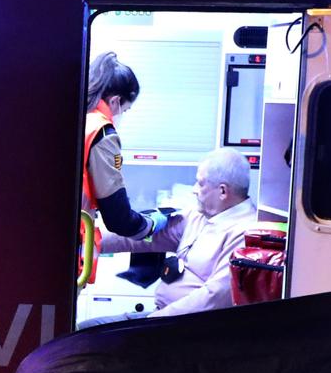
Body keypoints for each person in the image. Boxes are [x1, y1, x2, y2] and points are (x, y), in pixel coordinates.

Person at [99, 147, 261, 318]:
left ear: (222, 191)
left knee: (90, 340)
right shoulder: (199, 216)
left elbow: (215, 298)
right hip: (160, 318)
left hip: (183, 330)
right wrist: (89, 239)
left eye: (200, 183)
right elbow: (147, 235)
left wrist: (151, 323)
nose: (194, 189)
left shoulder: (245, 234)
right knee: (86, 329)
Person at [79, 52, 170, 286]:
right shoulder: (102, 133)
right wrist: (151, 224)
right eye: (125, 110)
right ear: (116, 101)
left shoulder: (78, 118)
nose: (122, 116)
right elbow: (118, 219)